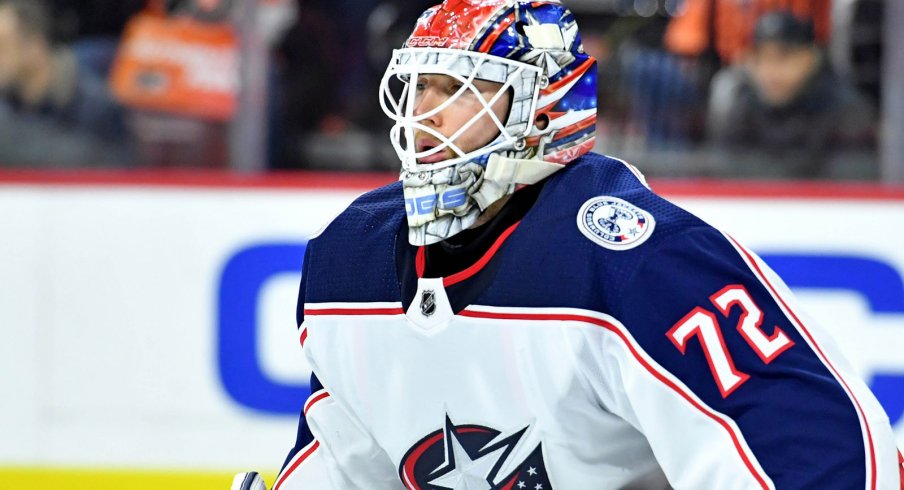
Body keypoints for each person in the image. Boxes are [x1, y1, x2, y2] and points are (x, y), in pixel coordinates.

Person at [234, 1, 902, 488]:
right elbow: (349, 464)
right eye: (420, 87)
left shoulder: (638, 259)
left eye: (460, 90)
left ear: (544, 111)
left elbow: (830, 446)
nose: (424, 114)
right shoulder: (348, 259)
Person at [706, 10, 876, 179]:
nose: (771, 71)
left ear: (810, 58)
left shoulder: (846, 110)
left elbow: (851, 182)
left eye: (784, 57)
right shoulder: (742, 105)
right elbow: (727, 172)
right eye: (761, 58)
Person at [0, 0, 131, 167]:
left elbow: (120, 173)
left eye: (1, 46)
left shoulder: (94, 105)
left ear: (34, 46)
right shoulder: (7, 104)